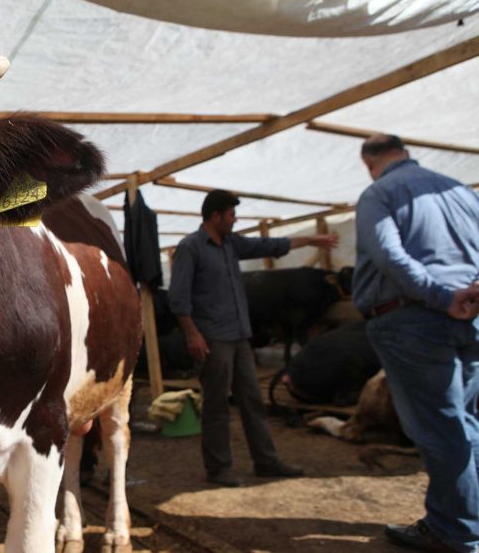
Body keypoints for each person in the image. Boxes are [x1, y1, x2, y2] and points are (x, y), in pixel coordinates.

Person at [353, 134, 479, 553]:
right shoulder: (459, 190)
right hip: (471, 319)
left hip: (415, 321)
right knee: (468, 424)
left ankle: (456, 531)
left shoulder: (379, 193)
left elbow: (389, 255)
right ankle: (467, 520)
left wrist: (444, 297)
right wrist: (469, 294)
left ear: (369, 161)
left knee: (440, 428)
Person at [169, 189, 338, 487]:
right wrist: (192, 335)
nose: (235, 220)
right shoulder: (190, 248)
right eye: (231, 215)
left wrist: (312, 240)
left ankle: (266, 461)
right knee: (217, 404)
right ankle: (219, 468)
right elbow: (179, 298)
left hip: (239, 335)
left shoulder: (231, 244)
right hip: (213, 338)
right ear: (216, 216)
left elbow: (270, 245)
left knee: (252, 400)